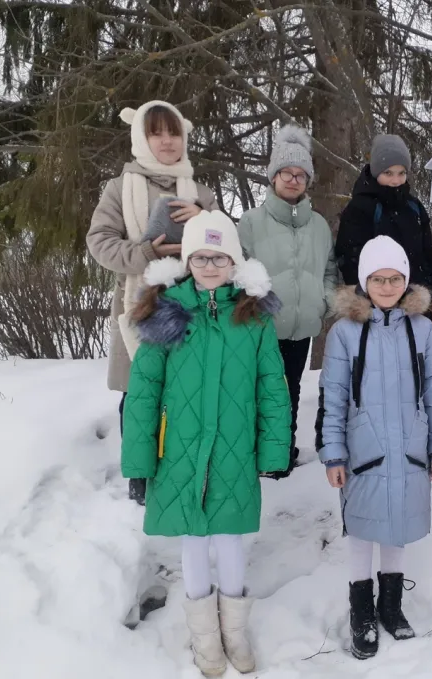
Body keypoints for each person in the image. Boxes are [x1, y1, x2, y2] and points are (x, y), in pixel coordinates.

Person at [121, 210, 290, 676]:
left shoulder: (253, 316)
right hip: (181, 448)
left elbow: (271, 386)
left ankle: (234, 630)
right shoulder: (167, 312)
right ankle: (204, 636)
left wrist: (274, 448)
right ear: (187, 261)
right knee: (194, 538)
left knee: (230, 536)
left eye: (219, 257)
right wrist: (140, 458)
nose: (210, 266)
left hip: (235, 447)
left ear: (234, 261)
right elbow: (144, 391)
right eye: (200, 257)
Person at [316, 236, 432, 659]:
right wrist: (333, 453)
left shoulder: (422, 329)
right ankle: (361, 611)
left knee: (398, 525)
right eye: (378, 278)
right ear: (364, 281)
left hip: (411, 445)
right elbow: (333, 396)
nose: (388, 286)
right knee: (363, 527)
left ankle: (390, 606)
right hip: (364, 449)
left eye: (395, 278)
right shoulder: (344, 332)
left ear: (406, 280)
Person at [87, 100, 218, 505]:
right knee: (139, 394)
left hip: (190, 306)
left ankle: (179, 465)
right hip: (138, 304)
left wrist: (204, 218)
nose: (166, 140)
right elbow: (99, 242)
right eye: (156, 132)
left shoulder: (201, 193)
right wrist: (145, 253)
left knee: (184, 392)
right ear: (141, 138)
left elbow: (227, 246)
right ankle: (140, 476)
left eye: (173, 132)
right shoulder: (119, 188)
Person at [237, 124, 337, 478]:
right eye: (287, 173)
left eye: (300, 175)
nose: (294, 180)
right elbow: (237, 270)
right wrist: (253, 308)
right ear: (274, 176)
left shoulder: (319, 226)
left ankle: (281, 455)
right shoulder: (251, 222)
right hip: (261, 328)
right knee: (257, 391)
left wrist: (323, 302)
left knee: (289, 391)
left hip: (301, 327)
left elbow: (330, 270)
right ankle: (251, 454)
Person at [335, 134, 432, 323]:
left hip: (416, 304)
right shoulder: (360, 207)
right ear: (376, 172)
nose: (396, 180)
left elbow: (427, 254)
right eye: (388, 173)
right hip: (375, 306)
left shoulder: (414, 207)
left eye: (401, 173)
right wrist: (368, 300)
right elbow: (349, 258)